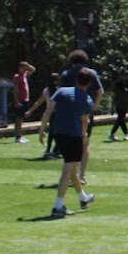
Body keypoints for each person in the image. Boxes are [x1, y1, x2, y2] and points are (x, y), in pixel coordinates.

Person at [45, 67, 97, 217]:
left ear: (76, 79)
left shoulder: (61, 91)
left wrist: (41, 129)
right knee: (68, 170)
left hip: (58, 134)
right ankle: (58, 207)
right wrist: (84, 135)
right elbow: (85, 120)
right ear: (89, 84)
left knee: (73, 168)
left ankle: (83, 198)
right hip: (73, 135)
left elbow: (49, 110)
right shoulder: (87, 99)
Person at [59, 50, 103, 185]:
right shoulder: (91, 73)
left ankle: (71, 174)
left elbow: (63, 93)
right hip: (86, 111)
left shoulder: (66, 74)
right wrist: (94, 106)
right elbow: (100, 91)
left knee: (71, 144)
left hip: (70, 114)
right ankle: (82, 175)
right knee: (85, 143)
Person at [10, 61, 36, 142]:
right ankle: (17, 137)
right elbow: (15, 90)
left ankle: (20, 135)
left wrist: (27, 66)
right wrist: (16, 101)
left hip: (25, 99)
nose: (26, 69)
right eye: (24, 67)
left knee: (21, 118)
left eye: (26, 68)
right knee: (18, 118)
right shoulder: (17, 76)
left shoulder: (24, 75)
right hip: (20, 100)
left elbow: (33, 69)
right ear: (20, 67)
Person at [106, 69, 128, 141]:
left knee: (121, 119)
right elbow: (114, 96)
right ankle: (126, 134)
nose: (124, 77)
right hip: (118, 104)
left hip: (126, 104)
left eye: (126, 75)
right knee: (121, 118)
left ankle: (113, 134)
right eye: (123, 75)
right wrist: (112, 107)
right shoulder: (117, 84)